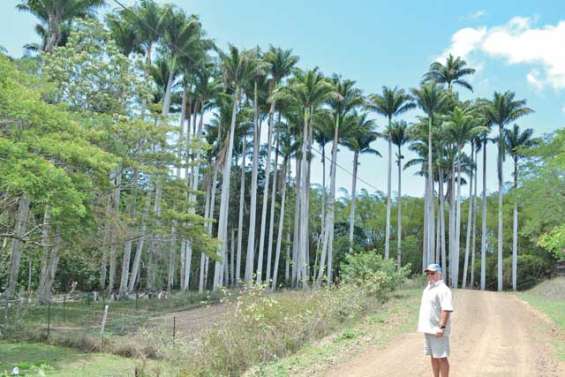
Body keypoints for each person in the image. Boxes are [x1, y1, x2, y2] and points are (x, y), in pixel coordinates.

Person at [417, 263, 454, 377]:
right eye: (428, 273)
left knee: (442, 357)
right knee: (433, 356)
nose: (430, 275)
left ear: (439, 274)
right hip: (428, 329)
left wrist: (441, 327)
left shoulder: (443, 289)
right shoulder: (428, 288)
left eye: (432, 273)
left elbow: (446, 309)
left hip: (438, 330)